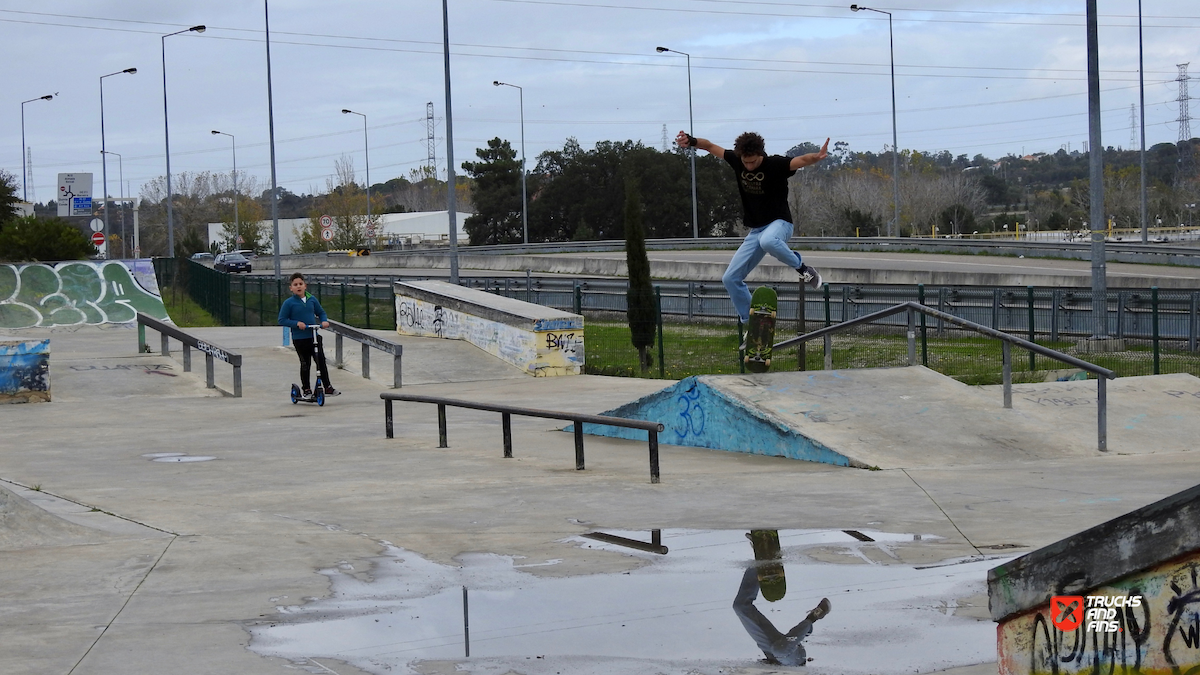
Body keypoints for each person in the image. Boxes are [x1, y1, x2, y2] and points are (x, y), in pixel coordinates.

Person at [675, 130, 829, 326]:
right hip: (756, 230)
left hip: (780, 224)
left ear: (761, 155)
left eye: (753, 162)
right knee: (730, 279)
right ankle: (754, 322)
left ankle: (804, 269)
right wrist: (692, 141)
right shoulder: (737, 160)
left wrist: (816, 157)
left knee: (768, 241)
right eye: (746, 163)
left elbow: (801, 160)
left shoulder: (775, 164)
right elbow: (709, 146)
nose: (748, 167)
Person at [733, 563, 831, 666]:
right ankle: (812, 617)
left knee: (740, 607)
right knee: (781, 651)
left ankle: (757, 568)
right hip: (793, 660)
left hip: (773, 657)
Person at [278, 272, 339, 398]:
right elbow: (282, 319)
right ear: (291, 288)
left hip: (314, 336)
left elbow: (321, 312)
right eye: (295, 285)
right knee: (305, 363)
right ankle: (306, 388)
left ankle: (327, 386)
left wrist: (324, 321)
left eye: (300, 284)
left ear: (305, 286)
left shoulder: (312, 299)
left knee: (320, 361)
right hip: (299, 338)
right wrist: (296, 324)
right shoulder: (289, 303)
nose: (298, 286)